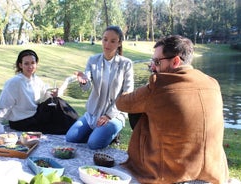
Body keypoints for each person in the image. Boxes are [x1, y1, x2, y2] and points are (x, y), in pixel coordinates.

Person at [116, 35, 229, 183]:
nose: (153, 67)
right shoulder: (212, 83)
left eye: (157, 62)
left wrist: (143, 89)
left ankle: (148, 162)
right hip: (214, 170)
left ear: (175, 61)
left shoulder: (159, 84)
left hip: (169, 173)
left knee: (139, 110)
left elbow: (122, 103)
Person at [65, 25, 134, 150]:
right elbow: (87, 87)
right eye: (105, 39)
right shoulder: (93, 60)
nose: (107, 44)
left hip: (115, 114)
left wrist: (108, 115)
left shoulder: (126, 64)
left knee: (94, 144)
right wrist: (84, 82)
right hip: (93, 113)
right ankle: (98, 132)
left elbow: (127, 93)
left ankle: (109, 134)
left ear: (119, 43)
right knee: (71, 137)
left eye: (113, 41)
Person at [0, 49, 78, 134]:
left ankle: (77, 126)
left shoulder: (36, 80)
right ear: (20, 65)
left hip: (35, 116)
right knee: (58, 114)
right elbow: (3, 106)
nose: (30, 67)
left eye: (33, 63)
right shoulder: (14, 82)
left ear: (36, 64)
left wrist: (53, 94)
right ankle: (76, 127)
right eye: (26, 63)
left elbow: (46, 98)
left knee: (57, 105)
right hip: (21, 121)